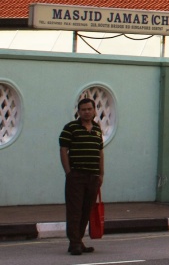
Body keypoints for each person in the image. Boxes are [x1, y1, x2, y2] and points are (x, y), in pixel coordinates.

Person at [59, 98, 104, 255]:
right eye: (83, 109)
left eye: (89, 109)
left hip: (93, 176)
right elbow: (63, 149)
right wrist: (68, 172)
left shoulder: (97, 129)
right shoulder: (70, 128)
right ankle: (75, 243)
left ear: (94, 111)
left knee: (86, 210)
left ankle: (78, 241)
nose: (86, 112)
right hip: (76, 176)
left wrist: (101, 174)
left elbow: (100, 152)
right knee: (74, 210)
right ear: (78, 112)